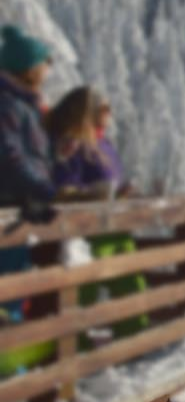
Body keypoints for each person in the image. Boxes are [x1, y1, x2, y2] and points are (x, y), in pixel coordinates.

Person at [44, 86, 149, 344]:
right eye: (104, 108)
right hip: (84, 235)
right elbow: (61, 191)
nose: (110, 113)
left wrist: (122, 194)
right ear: (86, 112)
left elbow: (109, 185)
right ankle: (76, 349)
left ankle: (135, 341)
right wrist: (92, 196)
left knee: (131, 285)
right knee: (83, 294)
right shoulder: (71, 145)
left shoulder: (104, 144)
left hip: (113, 230)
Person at [0, 25, 57, 375]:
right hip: (9, 211)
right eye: (43, 66)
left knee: (18, 293)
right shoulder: (6, 104)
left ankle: (16, 378)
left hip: (21, 209)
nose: (48, 73)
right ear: (28, 69)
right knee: (8, 296)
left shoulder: (25, 104)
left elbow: (35, 157)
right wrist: (42, 190)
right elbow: (11, 158)